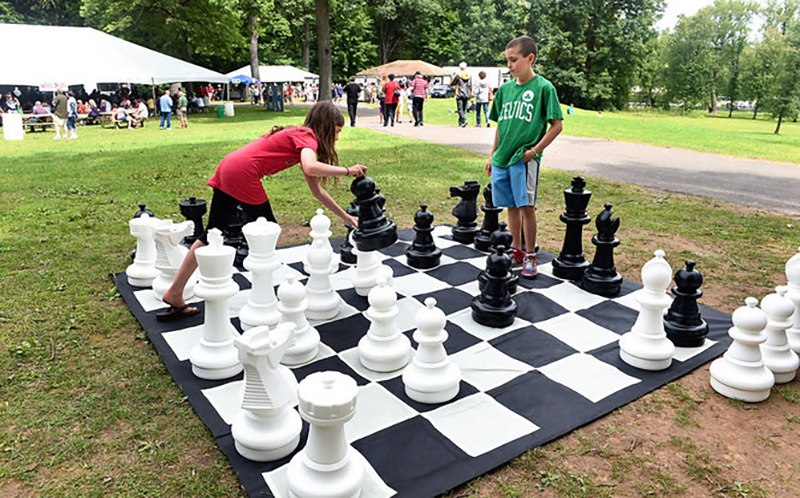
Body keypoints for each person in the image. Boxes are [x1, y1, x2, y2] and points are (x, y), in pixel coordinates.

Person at [157, 101, 368, 320]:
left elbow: (317, 191)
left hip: (229, 167)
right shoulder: (308, 138)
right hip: (243, 174)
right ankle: (265, 294)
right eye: (337, 131)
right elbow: (310, 166)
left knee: (211, 234)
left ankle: (175, 292)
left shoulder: (299, 136)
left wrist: (346, 216)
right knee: (268, 232)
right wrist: (347, 171)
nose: (337, 138)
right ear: (326, 127)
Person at [485, 35, 563, 279]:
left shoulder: (544, 88)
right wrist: (492, 155)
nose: (509, 65)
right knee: (510, 205)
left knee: (526, 206)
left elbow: (557, 125)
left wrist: (534, 152)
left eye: (513, 60)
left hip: (524, 159)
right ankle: (516, 250)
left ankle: (530, 254)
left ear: (530, 58)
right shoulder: (505, 90)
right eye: (507, 60)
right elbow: (500, 126)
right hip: (502, 158)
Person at [451, 62, 473, 127]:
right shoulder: (469, 75)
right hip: (466, 94)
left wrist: (453, 76)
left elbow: (452, 83)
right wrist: (470, 94)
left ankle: (464, 120)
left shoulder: (458, 75)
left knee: (460, 109)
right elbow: (470, 86)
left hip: (459, 94)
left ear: (460, 67)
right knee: (463, 109)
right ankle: (461, 123)